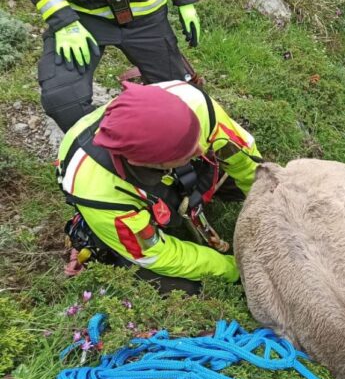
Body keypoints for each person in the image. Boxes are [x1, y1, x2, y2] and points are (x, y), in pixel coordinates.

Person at [57, 81, 262, 293]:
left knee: (248, 180)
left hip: (171, 172)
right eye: (188, 152)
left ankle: (186, 180)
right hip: (128, 200)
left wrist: (268, 207)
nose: (201, 148)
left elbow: (246, 161)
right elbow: (159, 255)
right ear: (145, 164)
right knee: (178, 285)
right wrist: (234, 269)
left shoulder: (193, 103)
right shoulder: (101, 195)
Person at [19, 0, 201, 132]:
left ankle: (177, 156)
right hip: (82, 20)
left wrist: (185, 0)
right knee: (63, 99)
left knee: (182, 101)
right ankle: (108, 154)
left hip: (147, 19)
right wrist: (64, 22)